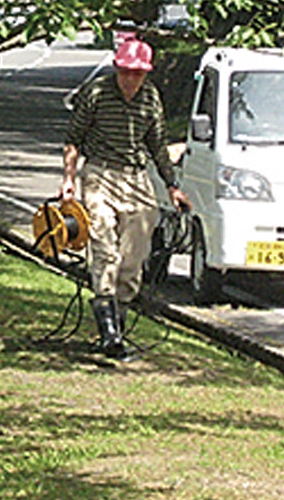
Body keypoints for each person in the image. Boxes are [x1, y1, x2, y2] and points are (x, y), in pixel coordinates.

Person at [60, 37, 191, 358]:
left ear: (146, 74)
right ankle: (109, 336)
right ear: (117, 69)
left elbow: (158, 146)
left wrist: (172, 186)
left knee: (132, 260)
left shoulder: (150, 98)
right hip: (100, 174)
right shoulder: (96, 94)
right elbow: (72, 140)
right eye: (126, 72)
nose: (130, 80)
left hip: (135, 178)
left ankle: (117, 320)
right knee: (104, 249)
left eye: (137, 74)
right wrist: (69, 180)